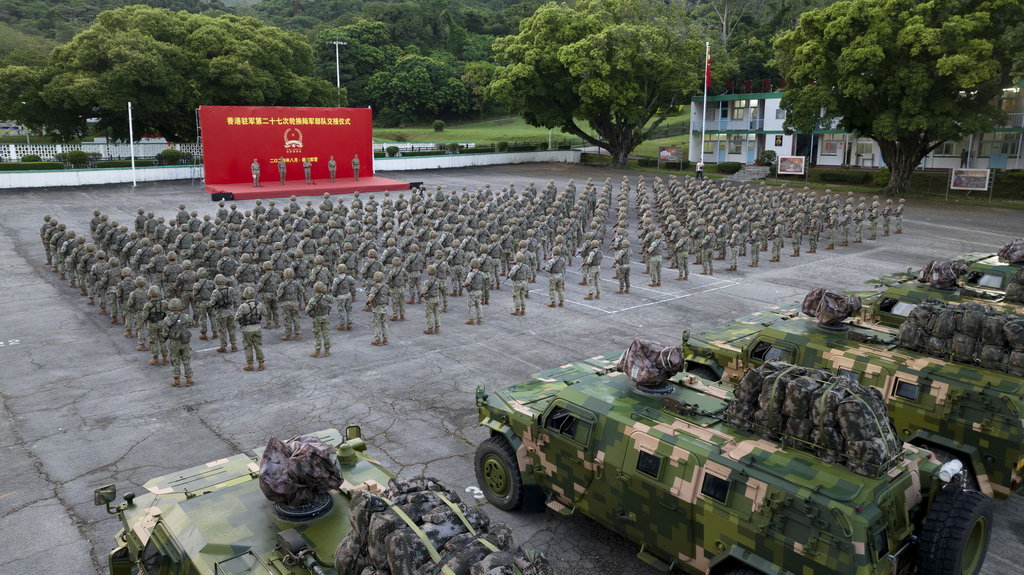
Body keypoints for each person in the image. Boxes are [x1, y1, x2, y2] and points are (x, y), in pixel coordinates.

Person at [163, 298, 194, 387]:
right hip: (184, 341)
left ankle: (176, 380)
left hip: (174, 342)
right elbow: (192, 322)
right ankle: (189, 379)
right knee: (186, 360)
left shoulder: (167, 319)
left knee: (175, 360)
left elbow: (164, 332)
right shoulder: (186, 316)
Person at [236, 287, 265, 371]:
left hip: (247, 328)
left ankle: (250, 364)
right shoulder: (259, 304)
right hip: (257, 327)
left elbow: (237, 317)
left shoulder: (243, 306)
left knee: (248, 346)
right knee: (258, 345)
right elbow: (264, 313)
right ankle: (261, 363)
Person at [210, 274, 239, 353]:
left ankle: (223, 346)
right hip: (230, 311)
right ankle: (234, 345)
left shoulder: (215, 292)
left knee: (222, 331)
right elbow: (236, 293)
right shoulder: (230, 289)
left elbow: (212, 303)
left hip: (220, 313)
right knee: (232, 329)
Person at [305, 281, 334, 357]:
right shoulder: (326, 297)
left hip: (316, 318)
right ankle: (327, 350)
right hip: (325, 316)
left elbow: (307, 310)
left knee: (317, 334)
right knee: (326, 334)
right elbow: (332, 300)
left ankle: (317, 351)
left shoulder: (313, 299)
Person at [277, 267, 305, 340]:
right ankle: (297, 334)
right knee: (296, 319)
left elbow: (279, 294)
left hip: (286, 304)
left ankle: (288, 335)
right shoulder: (297, 283)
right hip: (295, 303)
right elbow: (302, 290)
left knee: (287, 320)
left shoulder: (282, 284)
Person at [142, 286, 168, 366]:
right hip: (162, 322)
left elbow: (144, 316)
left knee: (153, 341)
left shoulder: (148, 305)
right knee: (163, 340)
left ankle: (155, 358)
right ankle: (165, 358)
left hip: (152, 324)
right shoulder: (164, 303)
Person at [366, 271, 389, 345]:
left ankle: (378, 339)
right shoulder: (385, 286)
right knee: (384, 323)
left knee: (377, 324)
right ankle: (385, 339)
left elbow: (370, 298)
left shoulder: (375, 287)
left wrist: (368, 302)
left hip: (377, 308)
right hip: (384, 307)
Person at [332, 263, 356, 331]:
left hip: (341, 297)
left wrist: (334, 294)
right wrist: (353, 293)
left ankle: (342, 324)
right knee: (349, 310)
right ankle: (349, 323)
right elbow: (353, 284)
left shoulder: (336, 280)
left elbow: (334, 289)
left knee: (341, 310)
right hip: (348, 295)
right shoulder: (349, 278)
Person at [420, 264, 442, 334]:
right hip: (437, 298)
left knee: (429, 314)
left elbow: (424, 291)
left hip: (430, 299)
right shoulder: (438, 280)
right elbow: (442, 288)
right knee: (437, 313)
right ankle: (437, 328)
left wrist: (421, 294)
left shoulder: (427, 281)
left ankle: (430, 329)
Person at [464, 258, 485, 324]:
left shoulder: (471, 274)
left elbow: (467, 282)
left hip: (472, 291)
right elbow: (484, 282)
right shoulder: (482, 273)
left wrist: (464, 285)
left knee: (471, 305)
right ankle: (480, 318)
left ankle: (471, 319)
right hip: (479, 291)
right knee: (479, 305)